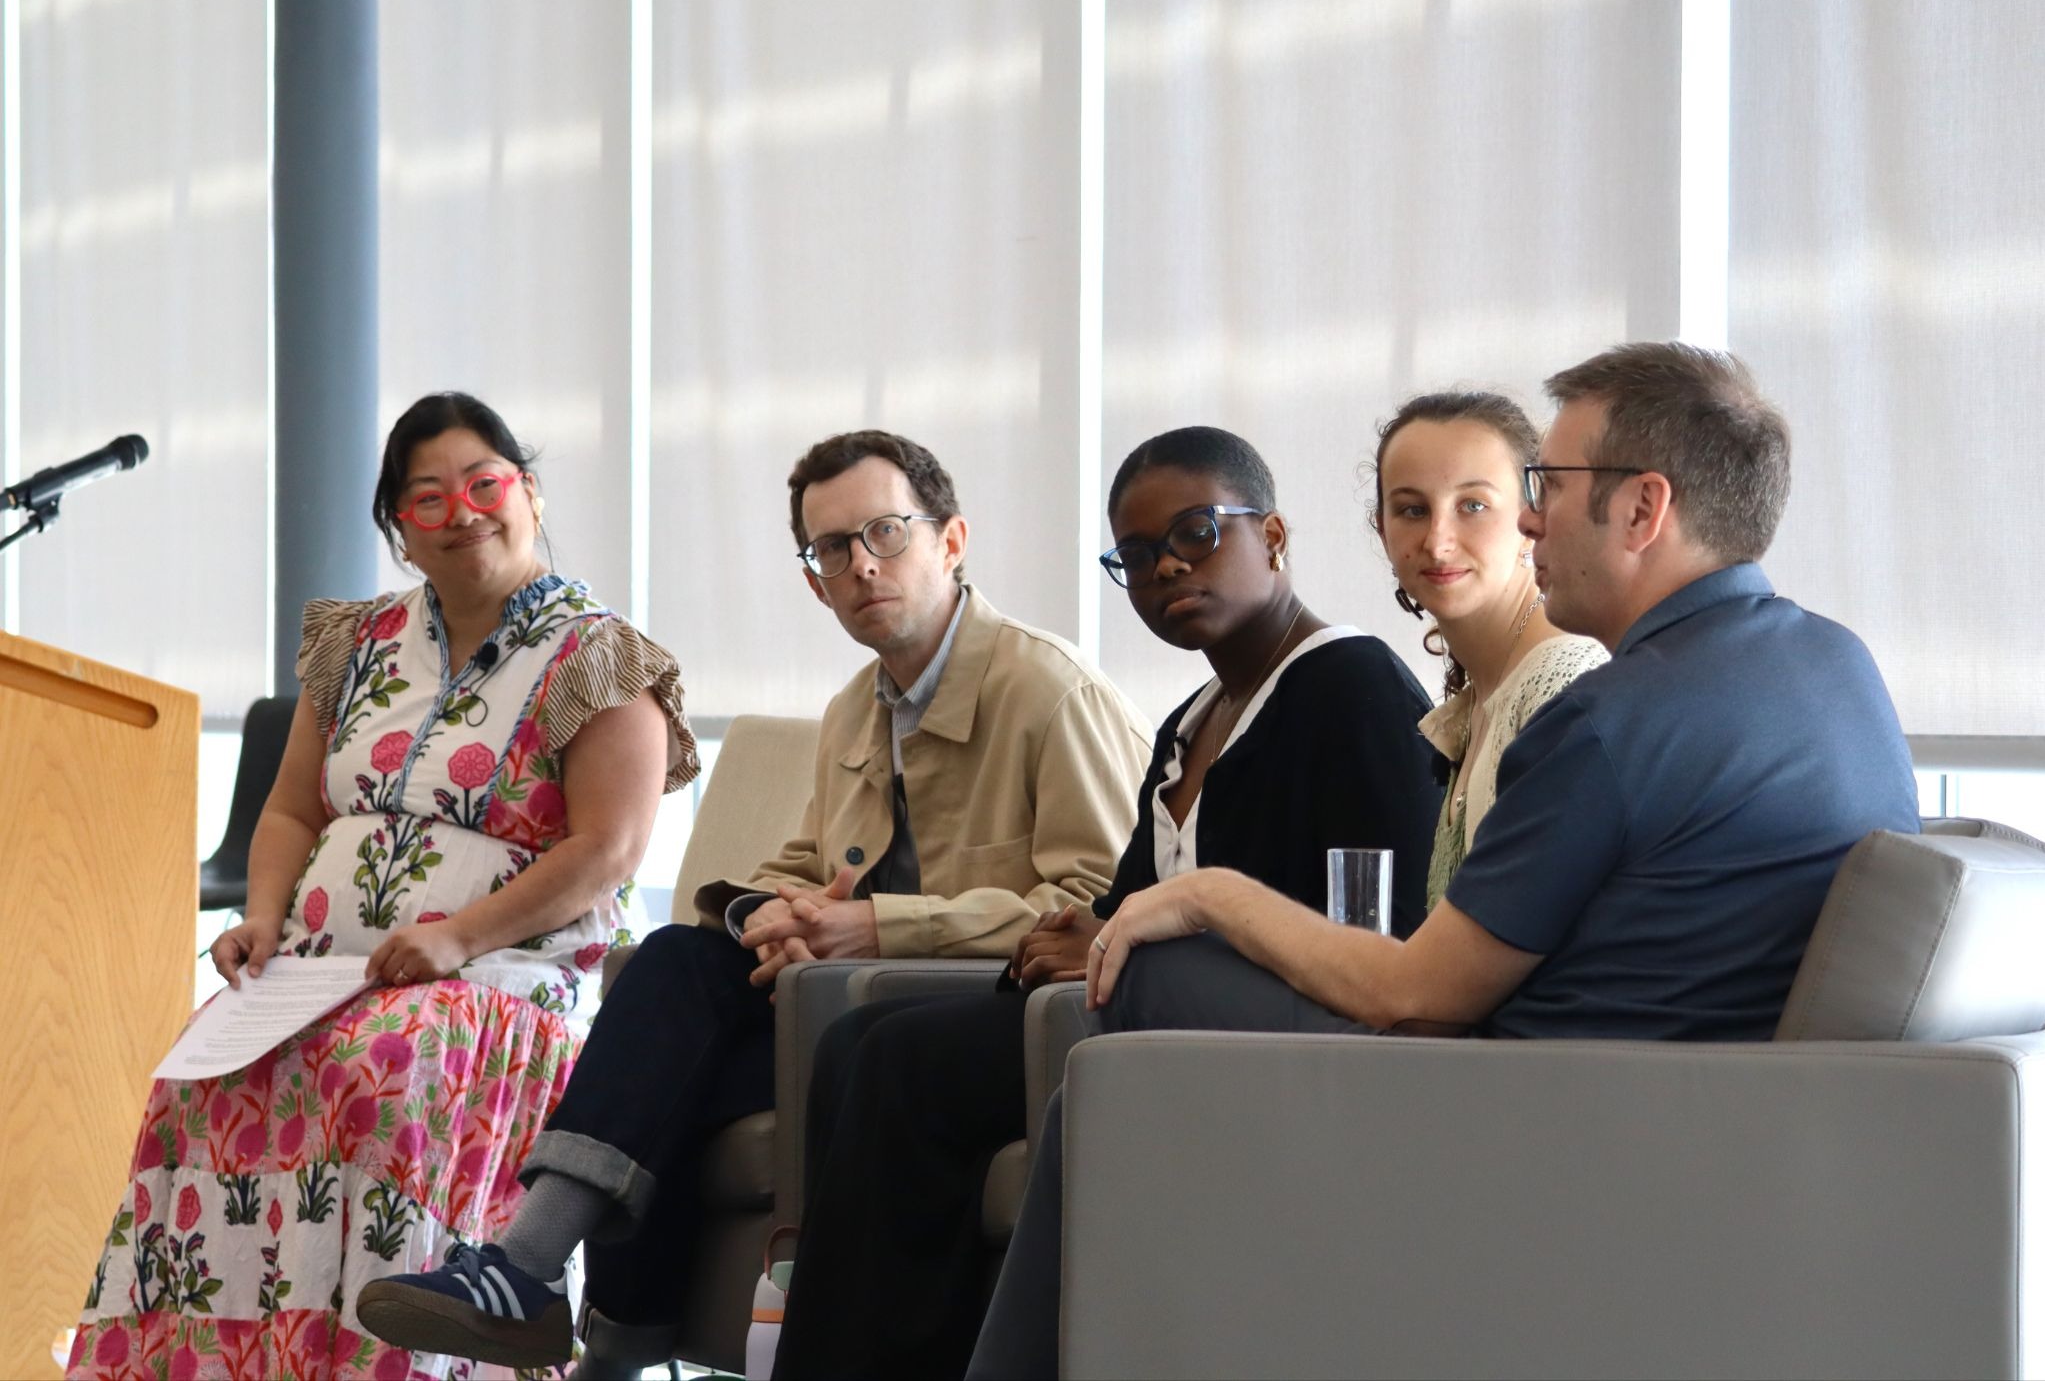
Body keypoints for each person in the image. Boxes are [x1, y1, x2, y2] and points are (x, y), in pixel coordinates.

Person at [965, 341, 1923, 1379]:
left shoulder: (1609, 720)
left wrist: (1209, 893)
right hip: (1707, 1124)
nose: (1524, 519)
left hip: (1531, 1126)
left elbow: (1418, 997)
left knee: (1148, 980)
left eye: (1543, 489)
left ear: (1642, 509)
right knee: (1119, 1078)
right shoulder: (1837, 665)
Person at [359, 430, 1151, 1376]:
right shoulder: (860, 704)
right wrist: (769, 916)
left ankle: (572, 1317)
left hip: (973, 1019)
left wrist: (875, 926)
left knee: (672, 1053)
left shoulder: (1052, 691)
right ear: (815, 582)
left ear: (951, 541)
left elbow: (1097, 911)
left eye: (886, 534)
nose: (861, 566)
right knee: (677, 980)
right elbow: (802, 865)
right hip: (848, 997)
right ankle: (554, 1302)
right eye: (831, 551)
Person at [771, 425, 1440, 1380]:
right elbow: (1125, 905)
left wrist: (1138, 935)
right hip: (1128, 1011)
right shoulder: (1190, 722)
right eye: (1137, 554)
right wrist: (1078, 931)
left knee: (900, 1066)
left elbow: (1384, 920)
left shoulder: (1349, 685)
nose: (1168, 562)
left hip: (1248, 1034)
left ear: (1276, 536)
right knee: (851, 1043)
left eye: (1198, 531)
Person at [67, 392, 695, 1381]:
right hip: (321, 978)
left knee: (378, 1068)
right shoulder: (355, 644)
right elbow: (288, 814)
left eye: (484, 484)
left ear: (527, 491)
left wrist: (458, 936)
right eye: (426, 499)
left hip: (494, 986)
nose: (462, 513)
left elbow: (607, 850)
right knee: (188, 1088)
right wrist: (262, 920)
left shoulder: (598, 654)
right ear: (401, 530)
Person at [1370, 391, 1607, 904]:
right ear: (1381, 529)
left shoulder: (1562, 683)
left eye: (1472, 505)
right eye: (1412, 509)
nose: (1438, 540)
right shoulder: (1484, 694)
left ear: (1533, 516)